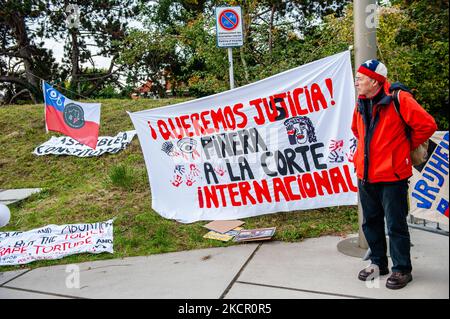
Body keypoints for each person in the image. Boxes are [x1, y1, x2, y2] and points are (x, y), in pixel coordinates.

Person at [351, 59, 437, 289]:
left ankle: (401, 269)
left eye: (360, 78)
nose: (356, 81)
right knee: (370, 222)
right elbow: (355, 129)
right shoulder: (361, 101)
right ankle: (378, 263)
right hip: (366, 174)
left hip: (393, 176)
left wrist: (402, 146)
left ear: (374, 81)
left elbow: (427, 125)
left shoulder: (400, 99)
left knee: (395, 225)